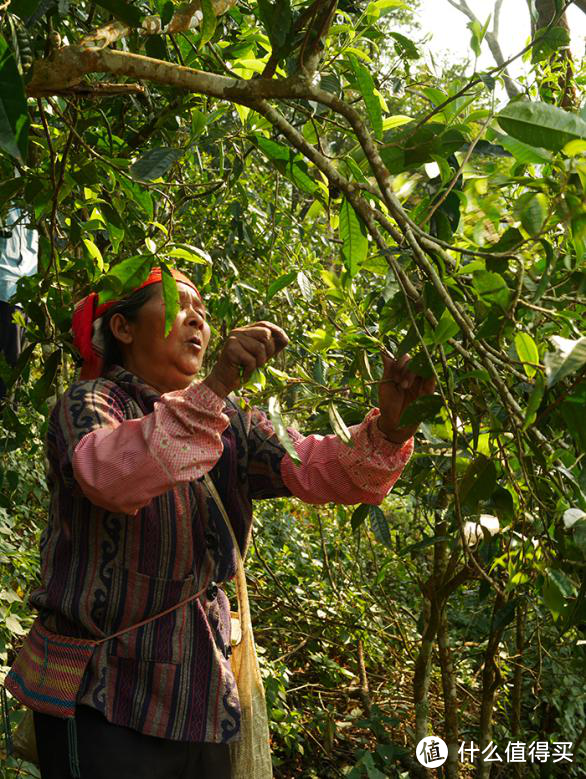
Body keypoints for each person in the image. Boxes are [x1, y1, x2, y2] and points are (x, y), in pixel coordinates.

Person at [6, 267, 435, 779]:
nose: (198, 320)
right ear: (123, 329)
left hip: (200, 698)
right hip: (103, 696)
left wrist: (392, 424)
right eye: (179, 304)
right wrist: (216, 387)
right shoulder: (91, 404)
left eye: (204, 314)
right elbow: (110, 475)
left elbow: (325, 473)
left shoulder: (233, 422)